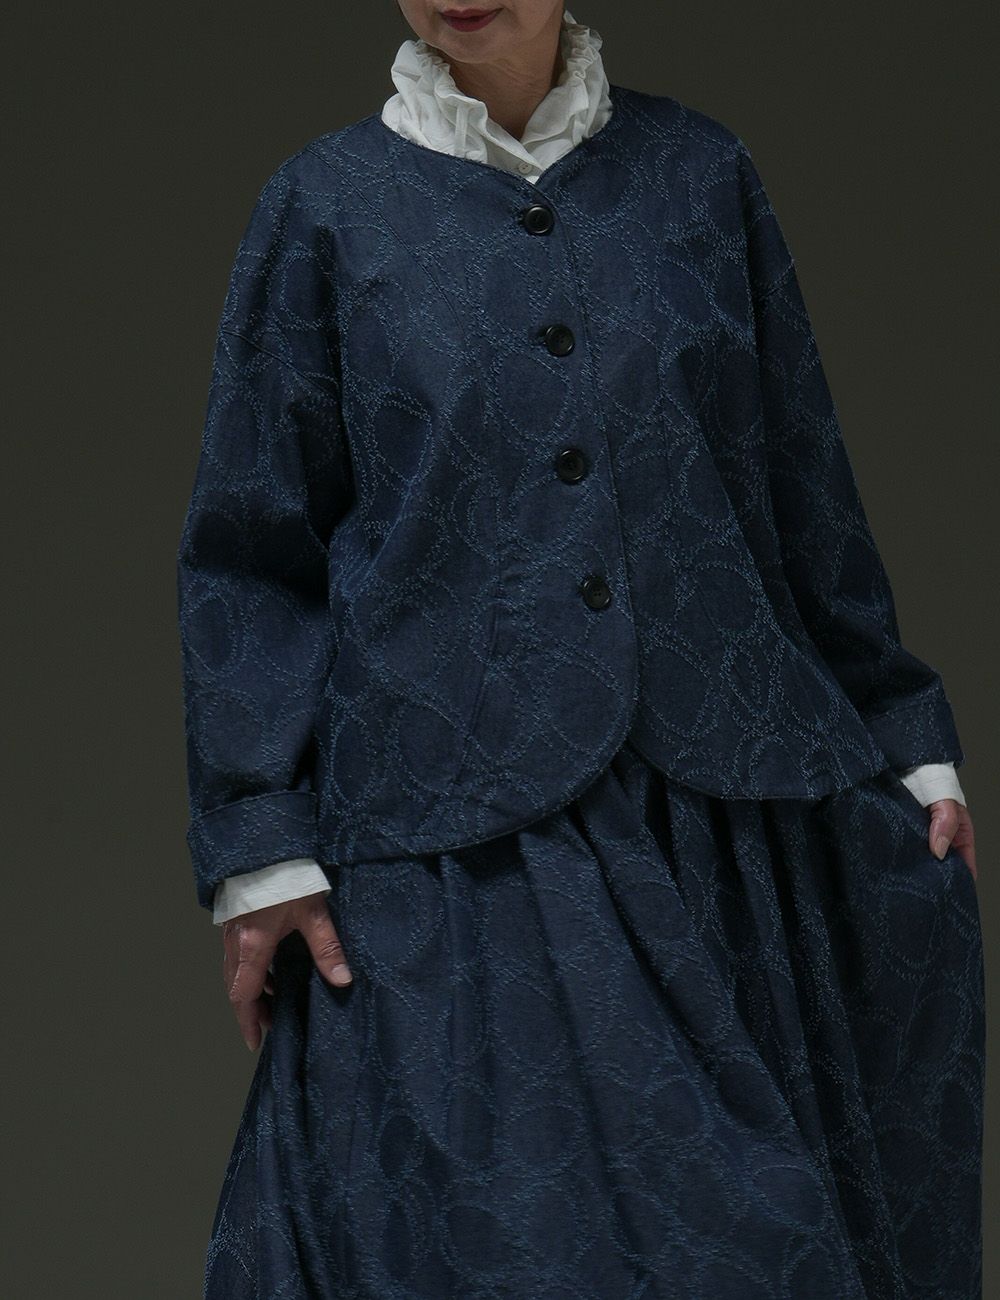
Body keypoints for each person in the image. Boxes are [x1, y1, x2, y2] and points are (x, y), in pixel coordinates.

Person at [177, 4, 985, 1296]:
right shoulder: (323, 211)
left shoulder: (701, 178)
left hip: (723, 831)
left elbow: (796, 480)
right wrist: (259, 839)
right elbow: (250, 545)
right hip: (453, 859)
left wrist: (902, 732)